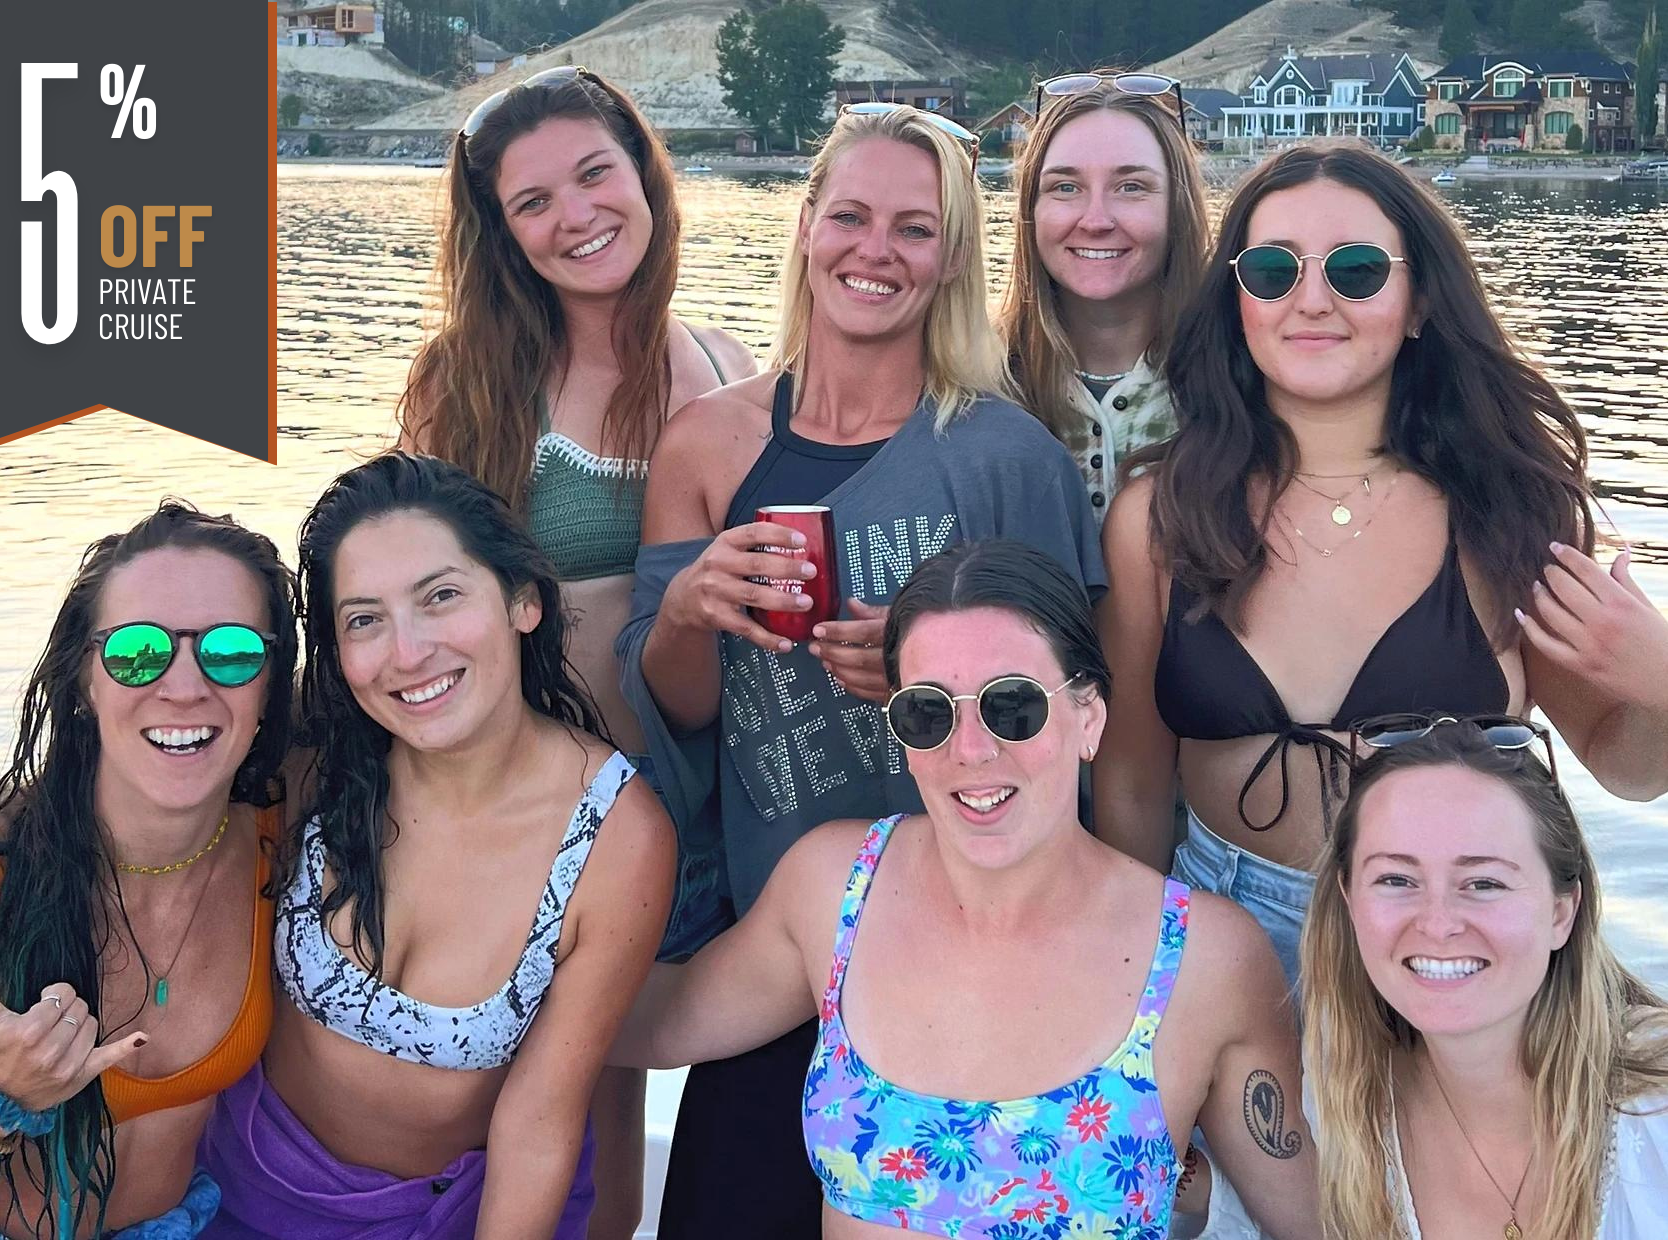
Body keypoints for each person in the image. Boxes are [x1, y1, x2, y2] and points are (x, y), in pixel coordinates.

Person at [616, 104, 1104, 1237]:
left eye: (912, 229)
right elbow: (681, 712)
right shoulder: (708, 442)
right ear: (804, 227)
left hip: (971, 947)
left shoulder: (1006, 458)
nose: (872, 251)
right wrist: (688, 610)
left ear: (949, 261)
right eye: (848, 216)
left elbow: (1075, 719)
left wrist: (933, 687)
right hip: (769, 947)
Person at [614, 541, 1321, 1240]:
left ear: (1089, 717)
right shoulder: (833, 888)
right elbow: (664, 1020)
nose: (971, 749)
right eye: (928, 712)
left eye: (1012, 706)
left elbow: (1312, 1218)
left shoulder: (1207, 958)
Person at [1095, 138, 1668, 990]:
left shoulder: (1504, 508)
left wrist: (1660, 677)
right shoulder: (1158, 518)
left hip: (1454, 950)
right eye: (1272, 270)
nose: (1313, 300)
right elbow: (1135, 783)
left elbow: (1626, 766)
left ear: (1418, 303)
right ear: (1238, 301)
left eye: (1358, 270)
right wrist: (1129, 981)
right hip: (1224, 941)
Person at [399, 67, 755, 1231]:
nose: (576, 215)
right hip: (540, 816)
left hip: (706, 800)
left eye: (595, 173)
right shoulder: (470, 381)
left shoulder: (726, 357)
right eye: (532, 201)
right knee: (557, 1100)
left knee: (652, 1079)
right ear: (500, 234)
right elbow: (392, 593)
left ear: (644, 175)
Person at [195, 453, 673, 1239]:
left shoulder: (616, 836)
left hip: (444, 1221)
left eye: (441, 596)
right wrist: (1, 801)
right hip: (228, 1191)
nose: (408, 652)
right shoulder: (319, 755)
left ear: (524, 601)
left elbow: (540, 1117)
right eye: (364, 619)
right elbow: (151, 782)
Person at [0, 504, 300, 1240]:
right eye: (136, 652)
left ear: (269, 685)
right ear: (82, 683)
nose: (187, 686)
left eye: (232, 653)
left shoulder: (278, 833)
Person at [1300, 719, 1668, 1238]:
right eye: (1395, 879)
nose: (1437, 923)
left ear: (1561, 912)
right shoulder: (1345, 1088)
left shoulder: (1657, 1115)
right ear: (1348, 899)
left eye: (1483, 882)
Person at [999, 72, 1208, 516]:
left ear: (1178, 205)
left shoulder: (1242, 382)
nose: (1095, 219)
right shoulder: (981, 387)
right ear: (1030, 211)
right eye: (1065, 187)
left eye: (1130, 187)